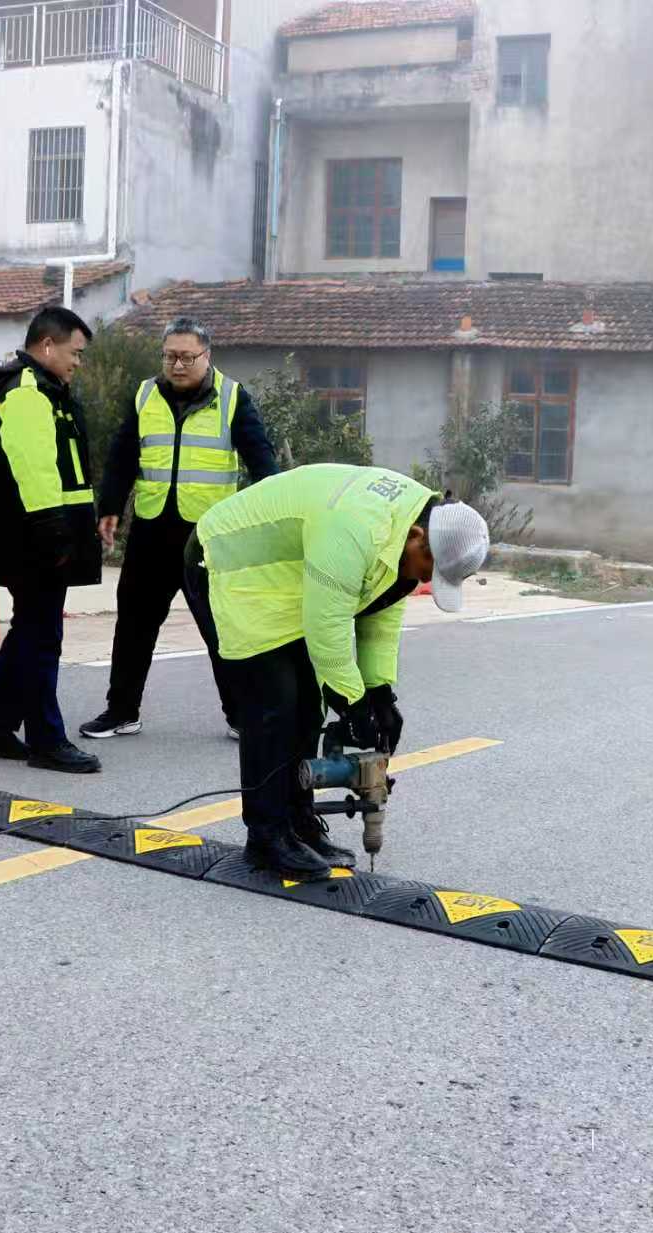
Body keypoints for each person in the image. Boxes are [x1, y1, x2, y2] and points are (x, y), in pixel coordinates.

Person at [183, 464, 491, 880]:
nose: (423, 580)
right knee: (273, 706)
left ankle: (299, 822)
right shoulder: (356, 528)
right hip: (228, 563)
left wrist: (380, 692)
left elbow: (379, 614)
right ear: (419, 537)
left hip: (287, 584)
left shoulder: (408, 523)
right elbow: (328, 625)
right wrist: (352, 702)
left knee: (309, 706)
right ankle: (266, 837)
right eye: (428, 568)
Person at [78, 317, 277, 742]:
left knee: (221, 628)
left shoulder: (232, 398)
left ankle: (241, 715)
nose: (178, 365)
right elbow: (123, 454)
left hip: (210, 538)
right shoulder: (146, 395)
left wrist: (266, 522)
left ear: (207, 357)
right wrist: (110, 506)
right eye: (170, 356)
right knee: (133, 624)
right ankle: (121, 711)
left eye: (187, 357)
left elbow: (263, 462)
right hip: (152, 529)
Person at [0, 306, 104, 774]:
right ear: (48, 345)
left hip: (36, 536)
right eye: (75, 352)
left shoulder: (46, 389)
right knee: (42, 638)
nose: (78, 362)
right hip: (33, 538)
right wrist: (56, 535)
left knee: (30, 631)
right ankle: (47, 740)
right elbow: (37, 470)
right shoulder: (27, 392)